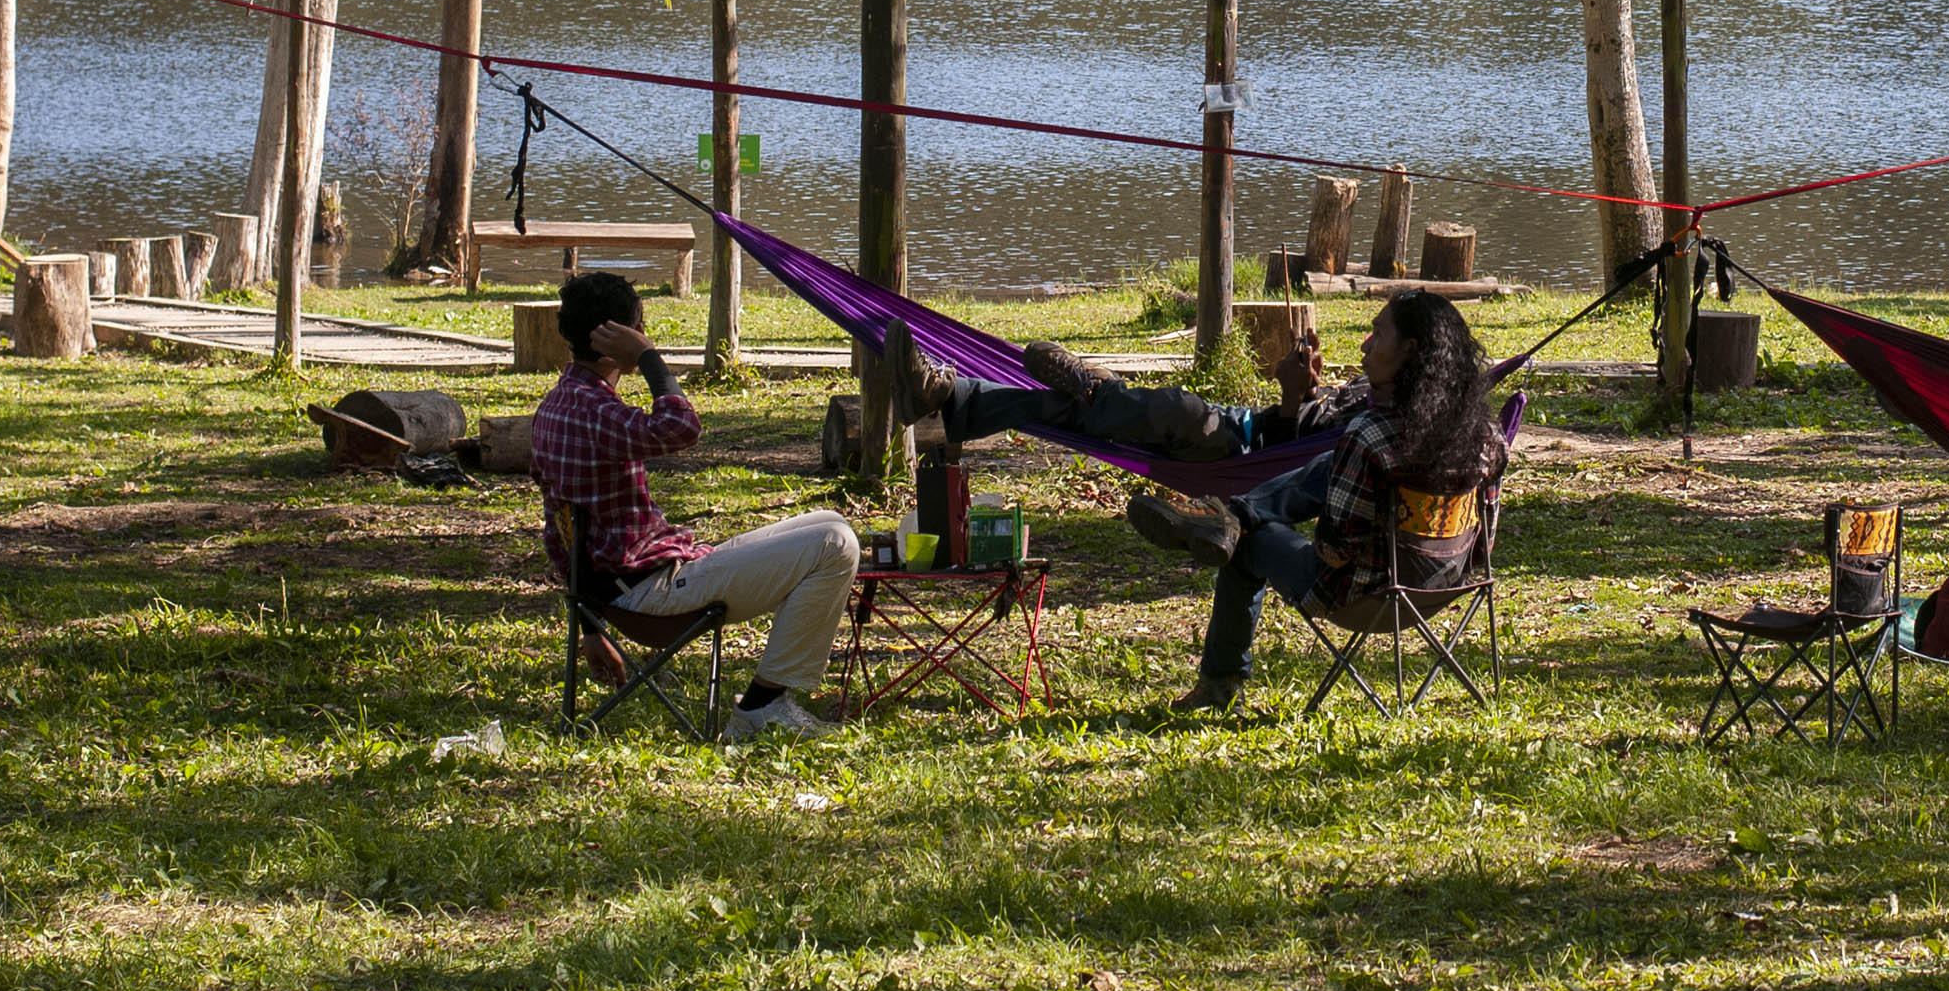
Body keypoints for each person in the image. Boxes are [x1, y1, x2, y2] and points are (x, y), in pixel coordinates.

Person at [1121, 289, 1503, 713]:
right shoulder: (1487, 437)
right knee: (1328, 462)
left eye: (1377, 333)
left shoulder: (1369, 437)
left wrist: (1311, 527)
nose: (1366, 343)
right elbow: (1483, 542)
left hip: (1365, 600)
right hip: (1443, 591)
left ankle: (1219, 683)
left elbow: (1335, 552)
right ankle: (1230, 513)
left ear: (1409, 350)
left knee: (1245, 543)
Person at [529, 269, 860, 744]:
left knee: (830, 521)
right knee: (835, 544)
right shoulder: (593, 410)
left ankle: (769, 703)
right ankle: (763, 708)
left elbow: (557, 531)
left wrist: (588, 622)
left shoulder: (559, 403)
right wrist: (647, 358)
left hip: (623, 585)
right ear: (619, 336)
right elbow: (681, 426)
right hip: (649, 593)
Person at [921, 329, 1357, 463]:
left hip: (1244, 452)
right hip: (1241, 422)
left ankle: (1098, 386)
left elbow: (1288, 462)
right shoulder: (1370, 394)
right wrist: (1305, 393)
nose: (1366, 344)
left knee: (1178, 408)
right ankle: (946, 394)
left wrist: (1289, 397)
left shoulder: (1382, 422)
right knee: (1070, 410)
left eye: (1378, 332)